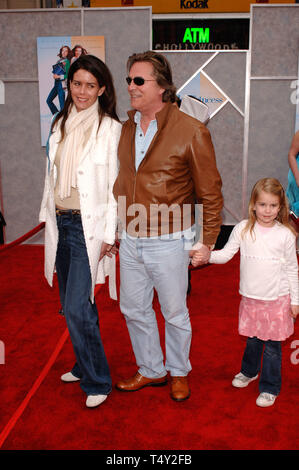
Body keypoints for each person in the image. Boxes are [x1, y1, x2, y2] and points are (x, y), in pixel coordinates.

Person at [113, 50, 223, 402]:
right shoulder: (126, 128)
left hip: (170, 237)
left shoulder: (191, 131)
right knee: (133, 308)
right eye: (129, 79)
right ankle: (151, 369)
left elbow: (210, 191)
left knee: (174, 311)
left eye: (139, 80)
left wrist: (206, 241)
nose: (131, 86)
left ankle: (179, 371)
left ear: (162, 87)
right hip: (130, 236)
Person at [39, 55, 122, 408]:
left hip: (88, 227)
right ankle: (82, 361)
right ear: (68, 85)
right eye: (76, 84)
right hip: (62, 223)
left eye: (90, 85)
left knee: (76, 307)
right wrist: (47, 214)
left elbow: (116, 186)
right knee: (73, 305)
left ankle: (98, 380)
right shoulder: (60, 123)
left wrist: (109, 233)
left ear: (102, 88)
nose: (82, 91)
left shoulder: (111, 128)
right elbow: (53, 176)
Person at [192, 177, 299, 407]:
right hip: (251, 297)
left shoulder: (286, 235)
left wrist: (295, 300)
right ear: (253, 205)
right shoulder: (242, 228)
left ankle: (270, 386)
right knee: (252, 338)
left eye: (273, 205)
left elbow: (292, 269)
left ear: (280, 207)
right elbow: (226, 254)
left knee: (272, 345)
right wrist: (207, 254)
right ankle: (249, 371)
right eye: (262, 204)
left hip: (277, 299)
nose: (267, 210)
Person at [46, 46, 71, 115]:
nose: (64, 52)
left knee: (62, 106)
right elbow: (56, 72)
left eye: (66, 51)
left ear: (68, 53)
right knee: (48, 101)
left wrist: (59, 76)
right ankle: (57, 115)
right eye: (63, 50)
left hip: (61, 85)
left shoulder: (67, 62)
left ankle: (63, 120)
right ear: (61, 51)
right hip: (56, 84)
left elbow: (68, 75)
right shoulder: (59, 61)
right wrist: (54, 75)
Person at [286, 130, 299, 238]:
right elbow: (291, 154)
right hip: (298, 177)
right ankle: (292, 252)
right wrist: (298, 179)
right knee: (295, 215)